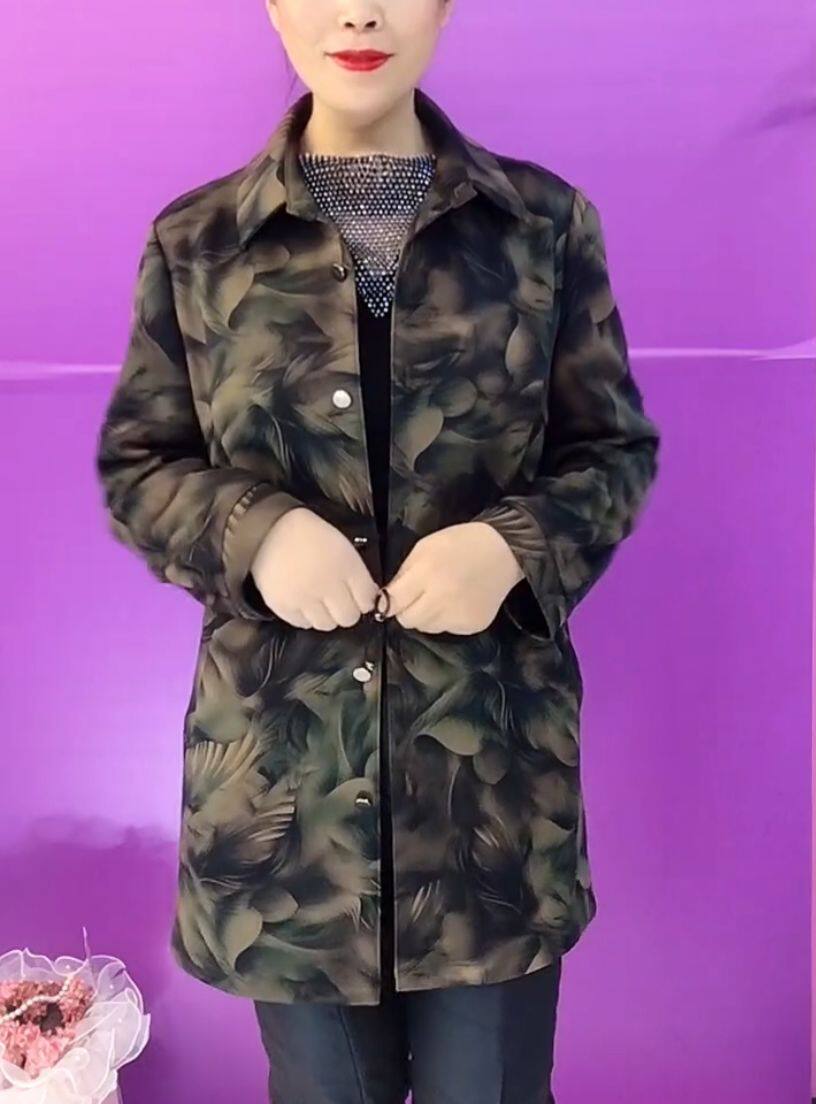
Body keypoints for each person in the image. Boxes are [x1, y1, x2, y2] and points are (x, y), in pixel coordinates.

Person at [95, 0, 661, 1100]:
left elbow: (611, 450)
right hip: (289, 814)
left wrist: (511, 547)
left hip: (492, 801)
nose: (359, 10)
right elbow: (140, 465)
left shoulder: (542, 227)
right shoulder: (198, 242)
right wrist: (256, 531)